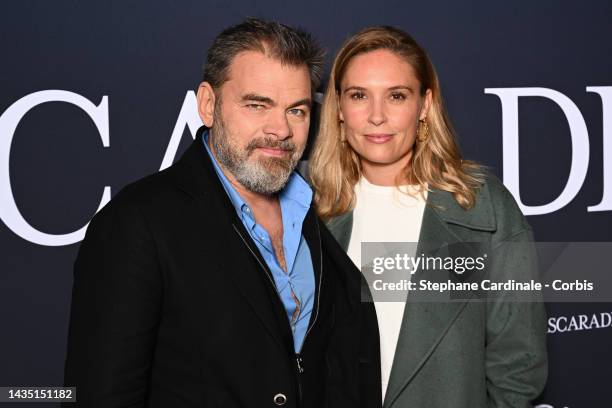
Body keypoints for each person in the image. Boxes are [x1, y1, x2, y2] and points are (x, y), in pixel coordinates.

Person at [63, 18, 381, 408]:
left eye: (296, 110)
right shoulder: (136, 224)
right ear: (208, 105)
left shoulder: (317, 215)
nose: (280, 129)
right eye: (257, 105)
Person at [309, 26, 547, 408]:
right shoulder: (304, 206)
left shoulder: (481, 205)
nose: (376, 116)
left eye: (397, 96)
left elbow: (519, 362)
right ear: (338, 108)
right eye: (359, 96)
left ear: (424, 105)